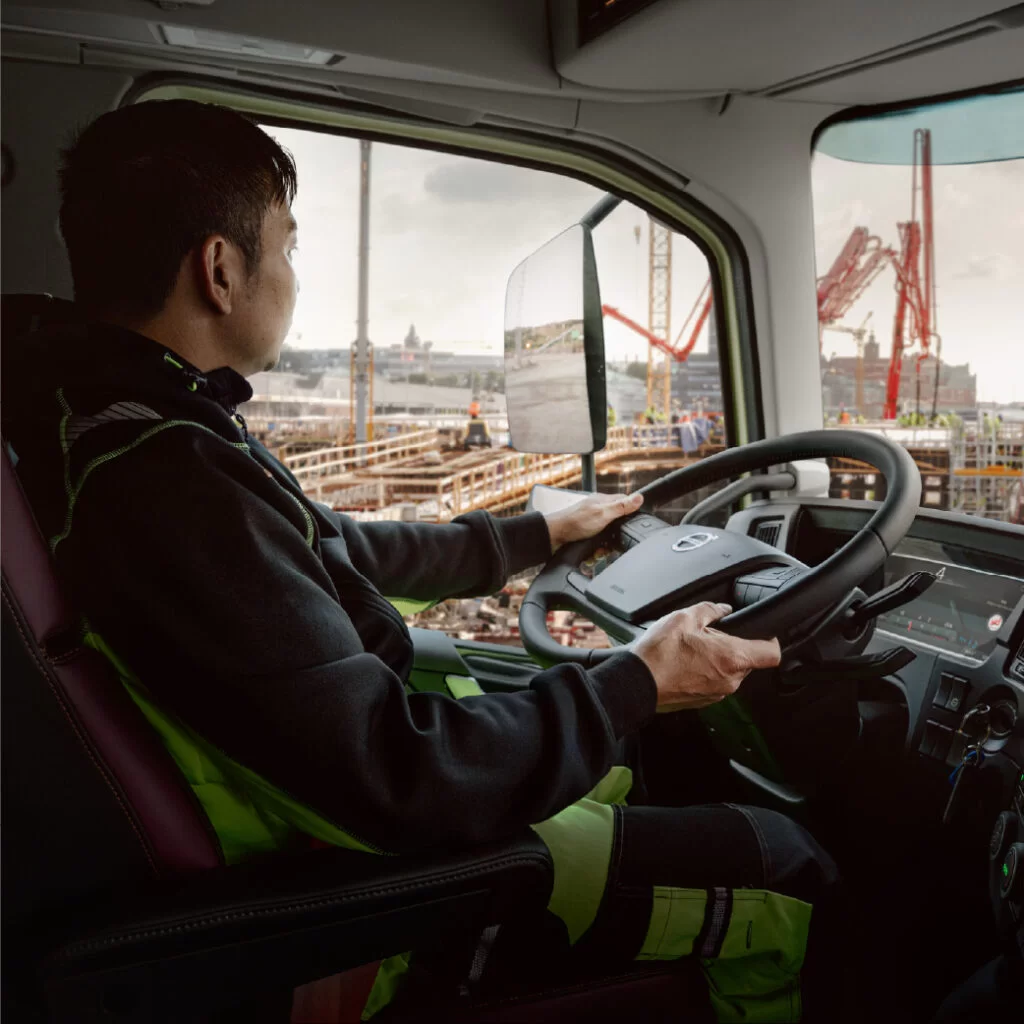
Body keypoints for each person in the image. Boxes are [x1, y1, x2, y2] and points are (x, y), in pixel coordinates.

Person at [2, 100, 844, 1021]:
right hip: (351, 892)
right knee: (785, 869)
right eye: (285, 247)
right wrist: (638, 679)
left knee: (639, 754)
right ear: (219, 269)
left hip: (317, 821)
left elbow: (333, 547)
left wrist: (532, 537)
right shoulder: (169, 478)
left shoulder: (114, 422)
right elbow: (397, 774)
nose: (291, 274)